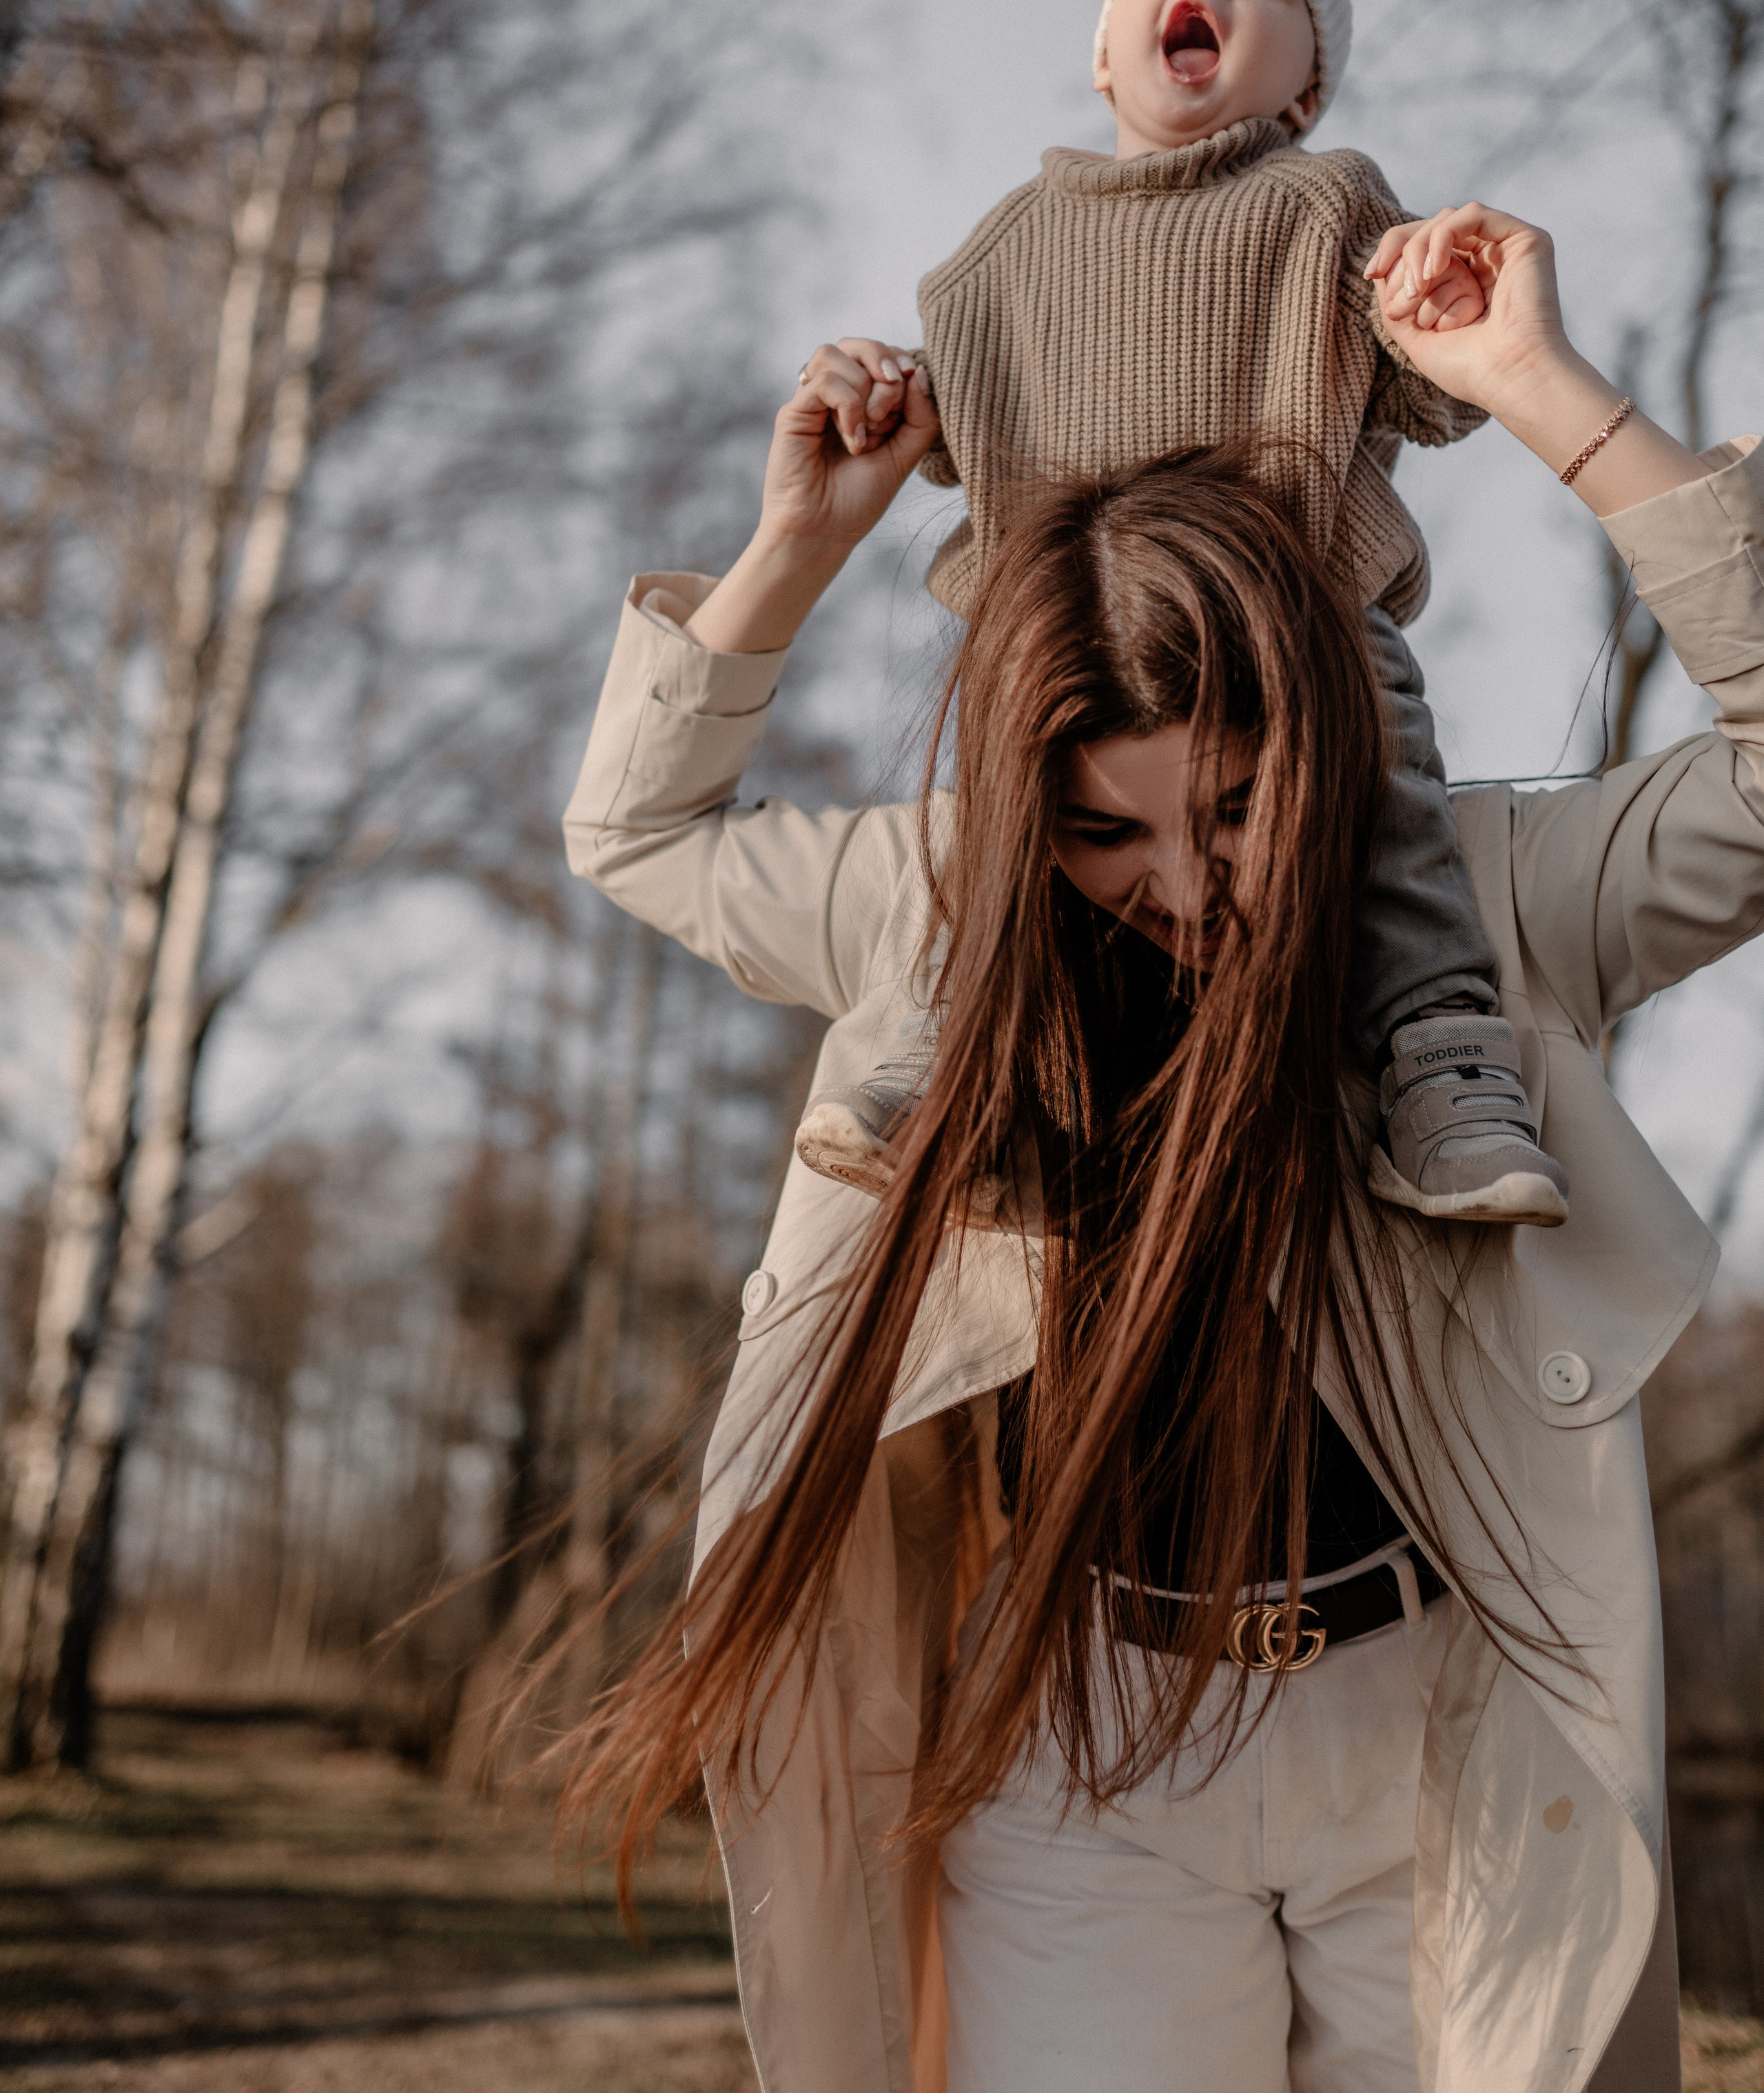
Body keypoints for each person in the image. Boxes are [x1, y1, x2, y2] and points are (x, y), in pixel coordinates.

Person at [561, 198, 1758, 2092]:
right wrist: (794, 546)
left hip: (1436, 1729)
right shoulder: (935, 913)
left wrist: (1545, 392)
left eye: (1236, 806)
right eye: (1107, 835)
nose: (1184, 886)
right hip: (1082, 1737)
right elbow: (639, 832)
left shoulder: (1488, 891)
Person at [794, 0, 1568, 1227]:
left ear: (1304, 91)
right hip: (1072, 643)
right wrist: (881, 396)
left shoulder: (1324, 210)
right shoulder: (998, 257)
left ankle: (1444, 1071)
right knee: (992, 832)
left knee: (1390, 817)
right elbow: (952, 433)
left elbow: (1431, 394)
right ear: (1105, 51)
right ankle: (944, 1065)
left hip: (1303, 621)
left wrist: (1446, 310)